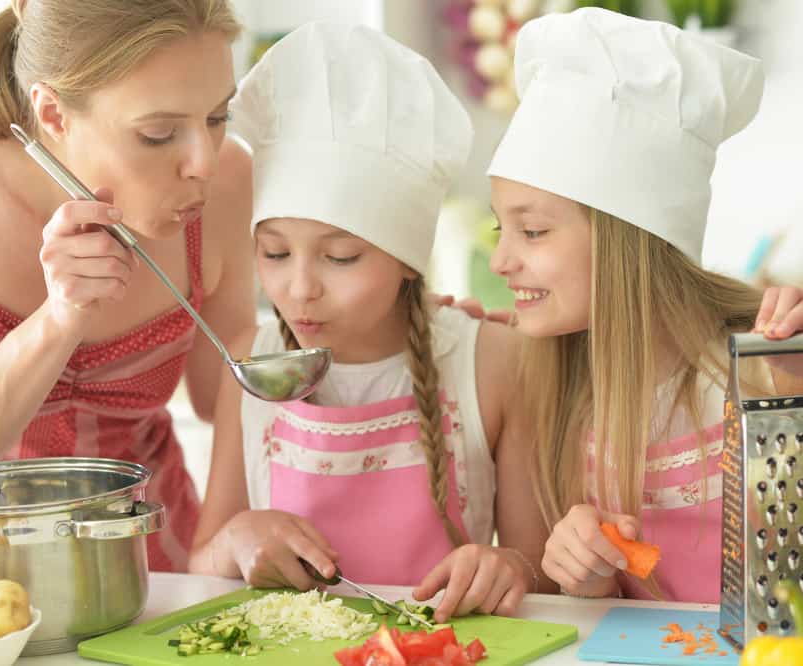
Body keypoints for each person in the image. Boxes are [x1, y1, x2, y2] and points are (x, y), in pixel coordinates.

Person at [0, 0, 255, 572]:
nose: (203, 163)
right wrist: (58, 319)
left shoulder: (228, 181)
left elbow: (225, 393)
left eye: (218, 118)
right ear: (53, 115)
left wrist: (210, 561)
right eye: (159, 133)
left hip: (157, 576)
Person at [187, 21, 556, 622]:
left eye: (340, 257)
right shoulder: (247, 366)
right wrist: (232, 543)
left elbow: (540, 573)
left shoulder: (489, 361)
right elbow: (201, 561)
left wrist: (509, 567)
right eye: (275, 253)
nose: (299, 288)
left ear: (408, 262)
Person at [485, 7, 803, 603]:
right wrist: (588, 573)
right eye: (498, 227)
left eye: (531, 233)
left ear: (627, 244)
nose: (500, 261)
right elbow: (599, 613)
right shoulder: (557, 384)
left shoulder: (762, 367)